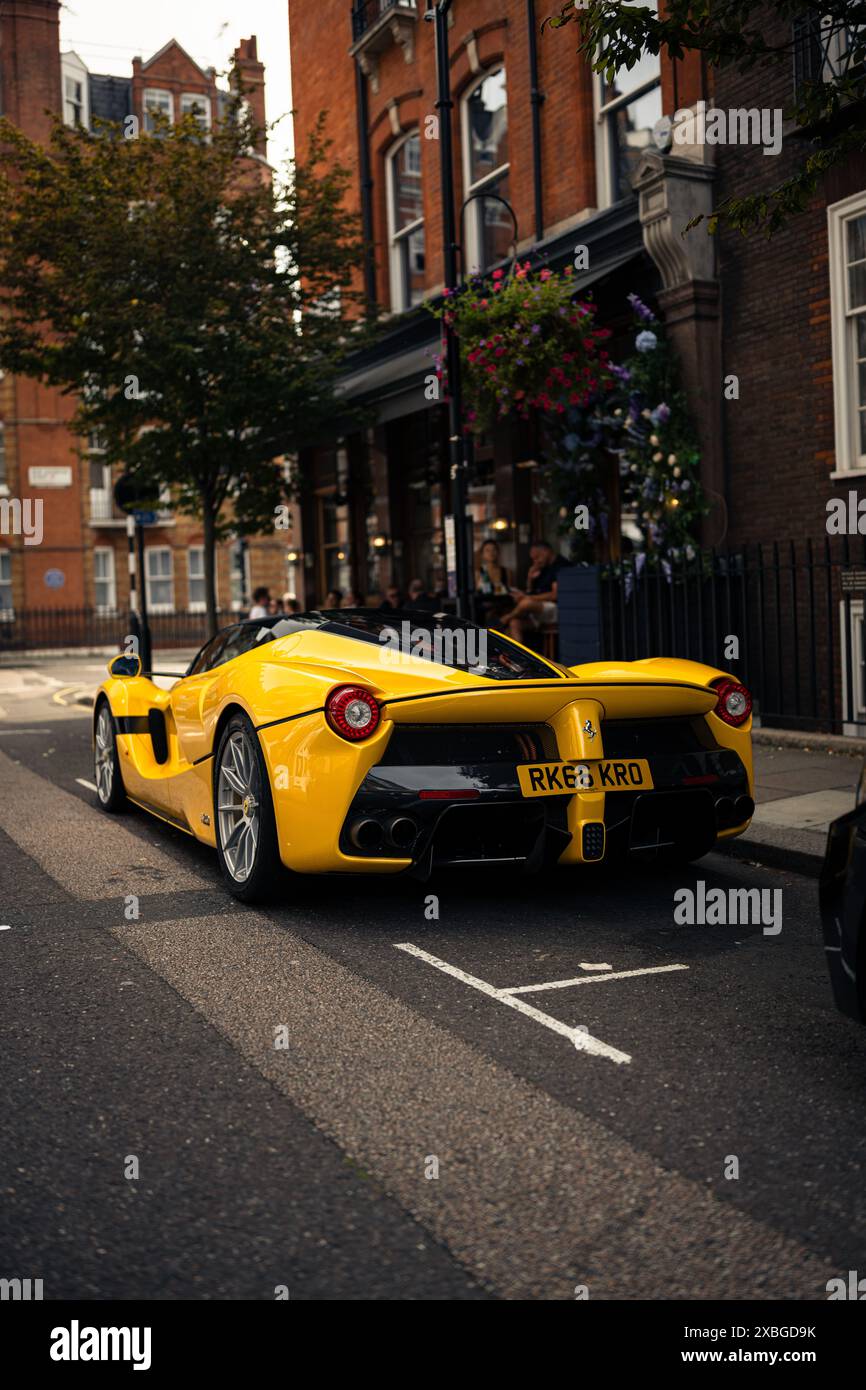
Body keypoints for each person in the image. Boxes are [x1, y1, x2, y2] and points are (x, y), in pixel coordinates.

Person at [500, 540, 571, 643]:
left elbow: (554, 595)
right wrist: (529, 579)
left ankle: (506, 618)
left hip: (557, 610)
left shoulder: (560, 566)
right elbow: (532, 592)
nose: (535, 562)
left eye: (537, 557)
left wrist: (528, 598)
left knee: (526, 603)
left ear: (546, 551)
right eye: (533, 559)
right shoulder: (543, 568)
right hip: (539, 611)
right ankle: (519, 657)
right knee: (514, 623)